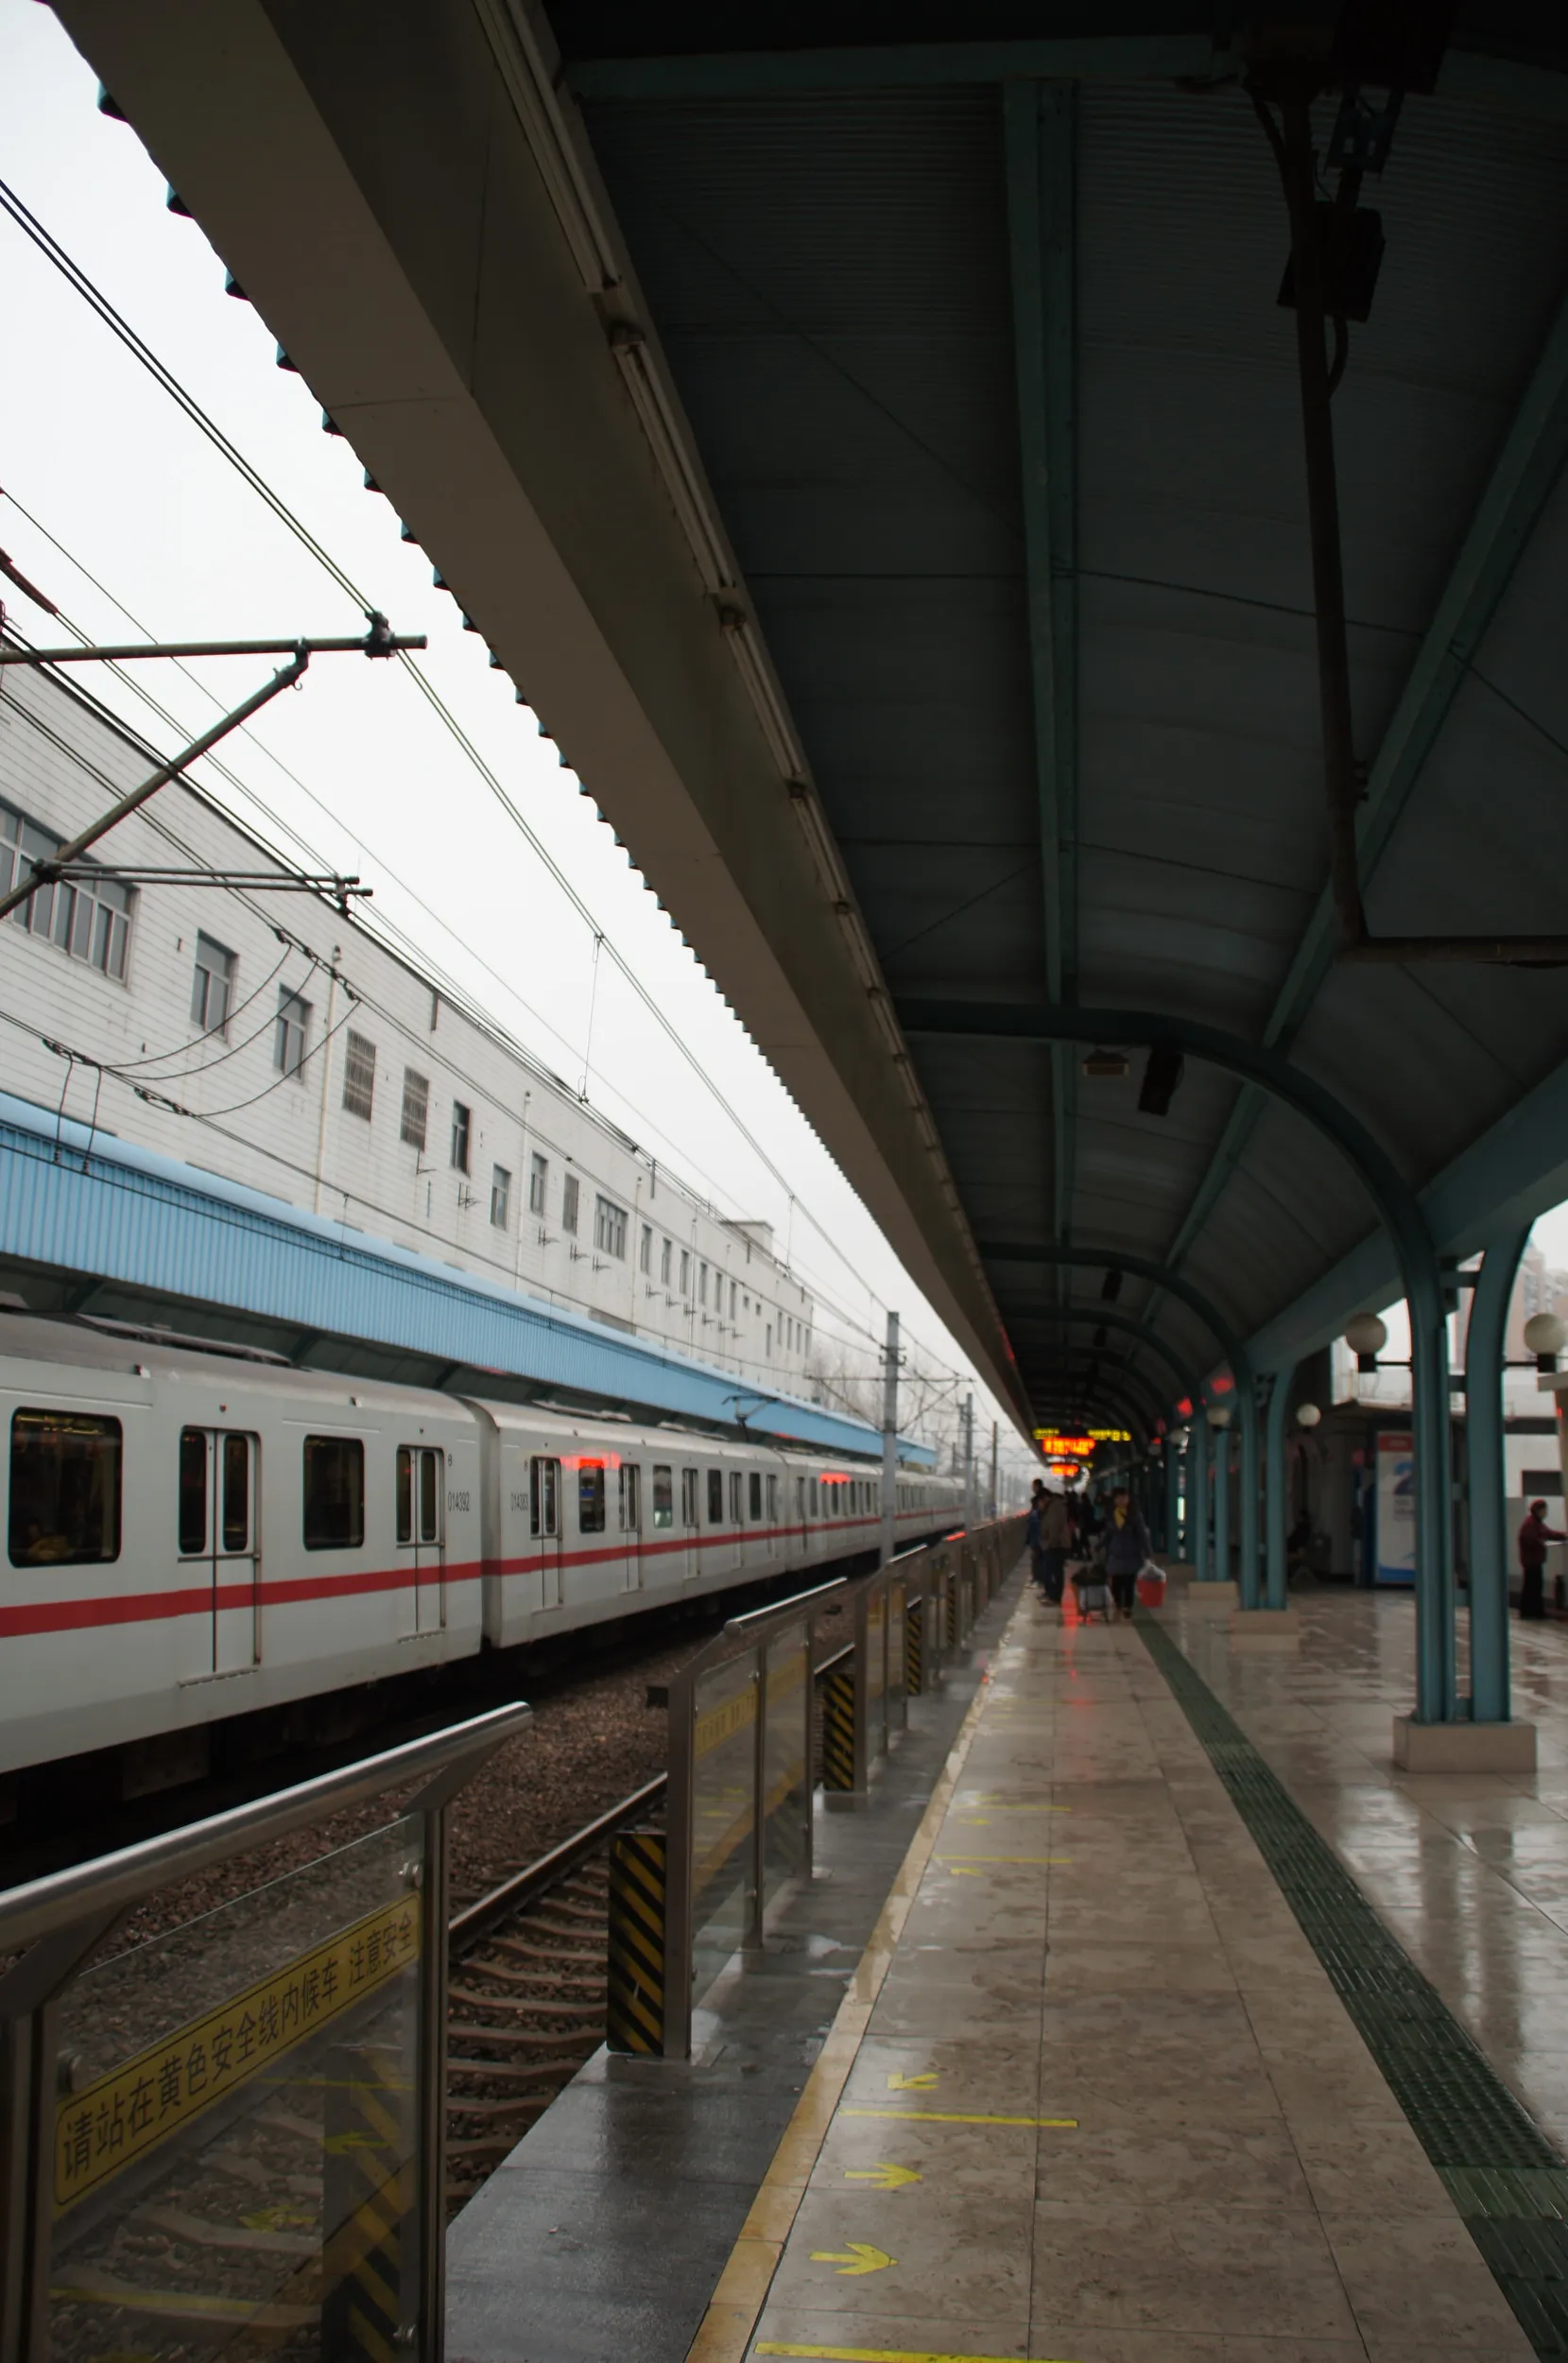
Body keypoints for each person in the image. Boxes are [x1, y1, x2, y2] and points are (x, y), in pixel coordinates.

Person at [1103, 1486, 1151, 1621]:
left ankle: (1127, 1607)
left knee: (1129, 1582)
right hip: (1115, 1553)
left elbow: (1142, 1535)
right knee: (1116, 1581)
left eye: (1124, 1497)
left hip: (1131, 1553)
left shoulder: (1135, 1515)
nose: (1121, 1500)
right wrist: (1101, 1546)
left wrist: (1147, 1554)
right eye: (1118, 1498)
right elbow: (1108, 1534)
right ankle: (1118, 1604)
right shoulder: (1110, 1514)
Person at [1518, 1499, 1566, 1622]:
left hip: (1533, 1560)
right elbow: (1532, 1540)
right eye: (1544, 1510)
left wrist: (1563, 1535)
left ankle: (1532, 1611)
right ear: (1538, 1511)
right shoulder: (1531, 1524)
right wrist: (1543, 1543)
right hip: (1532, 1561)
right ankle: (1532, 1612)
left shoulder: (1536, 1523)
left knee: (1533, 1586)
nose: (1545, 1513)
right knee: (1532, 1586)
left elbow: (1548, 1533)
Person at [1040, 1487, 1073, 1604]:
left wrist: (1050, 1543)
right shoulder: (1053, 1506)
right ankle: (1052, 1595)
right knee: (1054, 1571)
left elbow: (1054, 1527)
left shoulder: (1054, 1507)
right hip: (1056, 1544)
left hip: (1056, 1545)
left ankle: (1054, 1597)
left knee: (1053, 1571)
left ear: (1044, 1498)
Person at [1025, 1480, 1050, 1595]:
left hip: (1038, 1539)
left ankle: (1038, 1580)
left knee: (1038, 1560)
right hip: (1038, 1538)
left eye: (1033, 1486)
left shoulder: (1039, 1514)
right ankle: (1038, 1580)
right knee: (1038, 1560)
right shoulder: (1039, 1513)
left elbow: (1035, 1526)